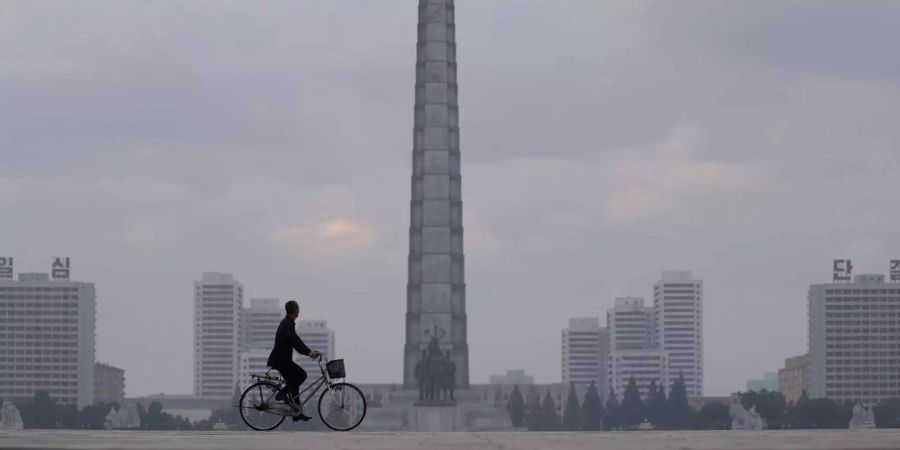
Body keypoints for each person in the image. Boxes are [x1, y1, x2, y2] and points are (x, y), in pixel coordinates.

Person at [267, 300, 320, 421]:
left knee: (294, 383)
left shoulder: (288, 323)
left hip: (283, 359)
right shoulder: (287, 324)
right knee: (301, 375)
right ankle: (282, 394)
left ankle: (297, 412)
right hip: (280, 360)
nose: (299, 311)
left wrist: (308, 351)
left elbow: (296, 339)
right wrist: (308, 352)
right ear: (295, 310)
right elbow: (294, 341)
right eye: (298, 309)